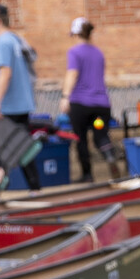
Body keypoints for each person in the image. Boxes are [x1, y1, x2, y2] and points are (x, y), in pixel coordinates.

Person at [0, 4, 40, 194]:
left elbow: (5, 72)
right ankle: (35, 189)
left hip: (9, 105)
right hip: (22, 103)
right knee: (21, 147)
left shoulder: (2, 42)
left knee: (0, 148)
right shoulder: (16, 39)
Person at [60, 18, 118, 183]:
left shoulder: (74, 52)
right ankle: (109, 155)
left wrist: (65, 97)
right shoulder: (98, 53)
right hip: (101, 107)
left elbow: (72, 73)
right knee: (100, 134)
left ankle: (88, 174)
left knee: (81, 138)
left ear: (75, 34)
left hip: (80, 106)